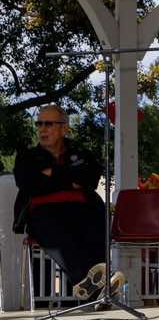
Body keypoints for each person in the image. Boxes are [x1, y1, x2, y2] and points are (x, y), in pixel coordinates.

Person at [12, 105, 124, 300]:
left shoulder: (82, 154)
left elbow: (90, 179)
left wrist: (52, 174)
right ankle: (92, 285)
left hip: (83, 209)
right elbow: (28, 184)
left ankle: (95, 286)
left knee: (96, 224)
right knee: (58, 232)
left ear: (64, 128)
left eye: (48, 124)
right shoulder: (27, 157)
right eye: (39, 124)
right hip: (43, 211)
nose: (42, 129)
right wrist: (70, 179)